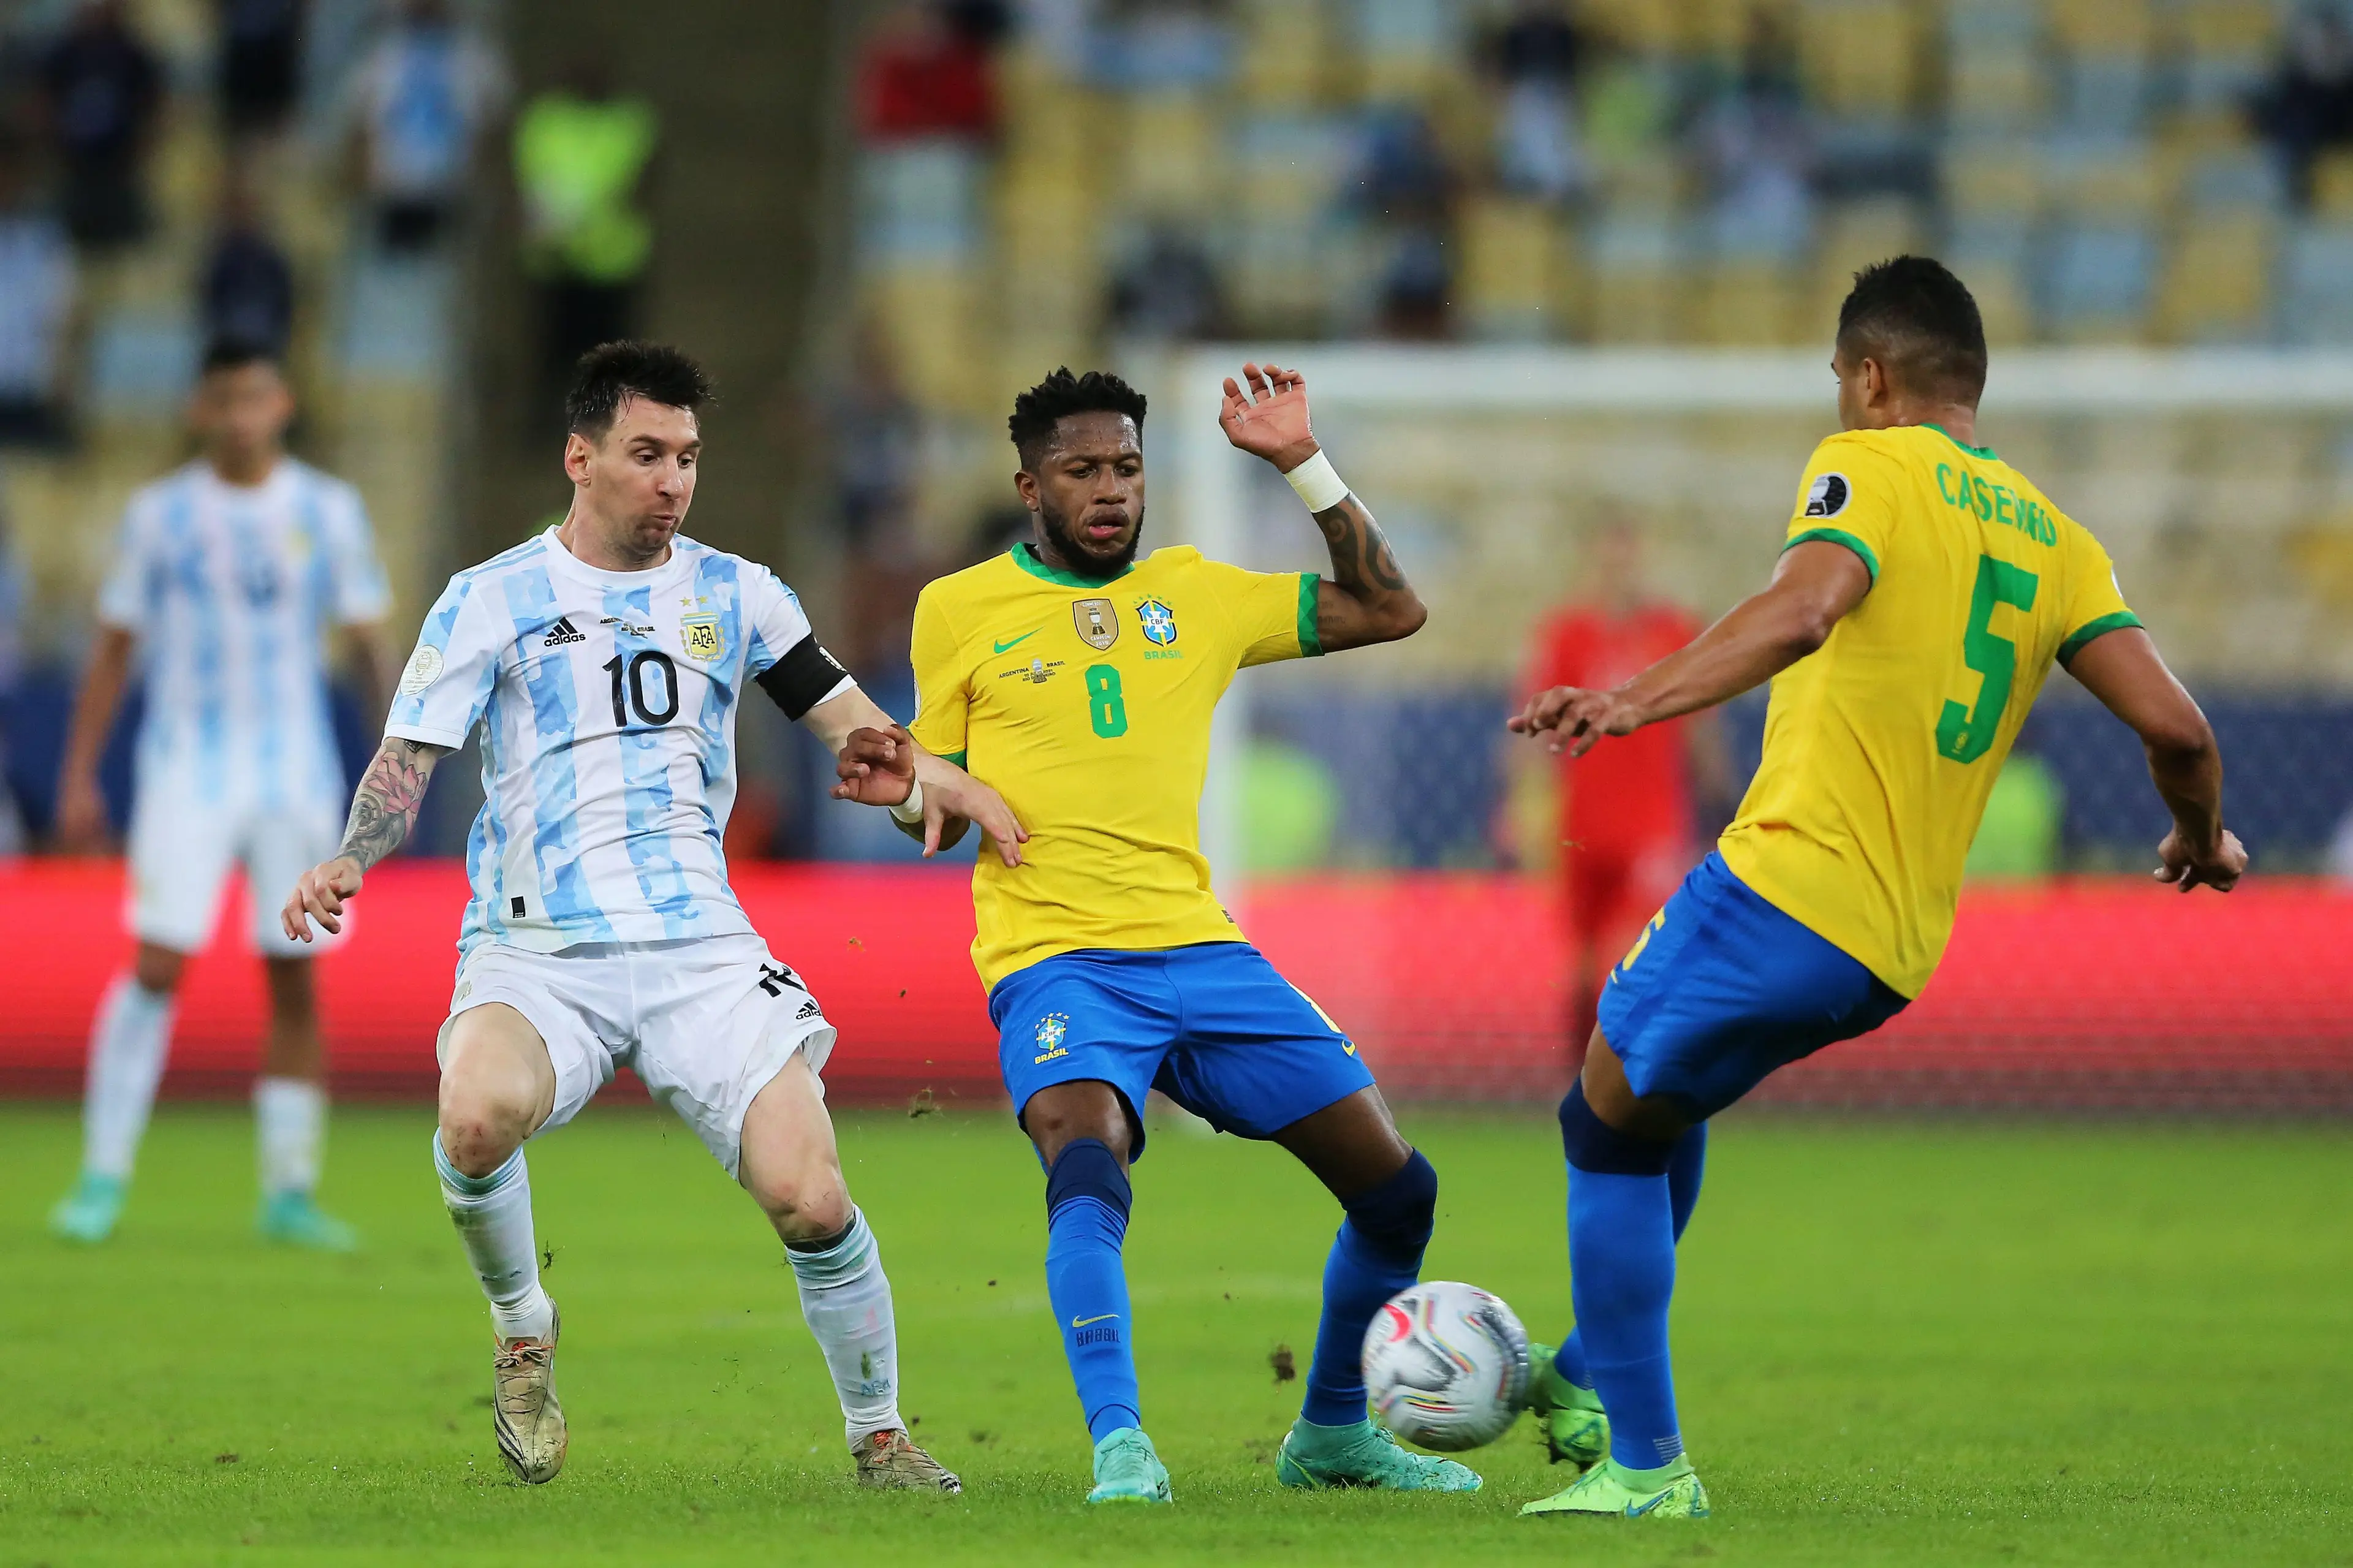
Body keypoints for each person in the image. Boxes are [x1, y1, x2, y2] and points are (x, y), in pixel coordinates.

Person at [1507, 256, 2247, 1521]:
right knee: (1652, 1101)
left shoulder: (1872, 464)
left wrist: (1632, 699)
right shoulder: (2059, 541)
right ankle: (1587, 1374)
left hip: (1787, 877)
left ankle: (1645, 1463)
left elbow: (1806, 608)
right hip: (1892, 949)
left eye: (1842, 383)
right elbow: (2179, 731)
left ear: (1871, 375)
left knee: (1600, 1117)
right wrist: (2201, 838)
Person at [280, 341, 1021, 1491]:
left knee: (812, 1197)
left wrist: (926, 781)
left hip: (701, 951)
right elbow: (407, 758)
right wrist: (351, 855)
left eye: (687, 456)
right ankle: (525, 1324)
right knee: (473, 1117)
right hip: (538, 949)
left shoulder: (740, 593)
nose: (672, 479)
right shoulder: (492, 597)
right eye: (646, 453)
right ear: (580, 458)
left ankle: (881, 1436)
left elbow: (860, 731)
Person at [897, 365, 1466, 1505]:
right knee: (1088, 1150)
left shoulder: (1196, 592)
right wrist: (934, 788)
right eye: (1083, 471)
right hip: (1057, 957)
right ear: (1030, 485)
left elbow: (1393, 608)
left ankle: (1334, 1434)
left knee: (1401, 1192)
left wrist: (1300, 461)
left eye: (1126, 467)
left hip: (1204, 951)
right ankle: (1121, 1443)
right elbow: (926, 792)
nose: (1111, 491)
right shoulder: (956, 608)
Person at [48, 341, 398, 1249]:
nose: (242, 416)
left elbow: (366, 636)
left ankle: (288, 1190)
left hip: (293, 769)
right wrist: (81, 770)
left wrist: (404, 751)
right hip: (186, 768)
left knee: (292, 973)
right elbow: (116, 646)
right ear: (202, 408)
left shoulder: (327, 507)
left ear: (281, 402)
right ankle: (102, 1173)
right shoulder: (160, 513)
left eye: (256, 397)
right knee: (158, 960)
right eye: (225, 400)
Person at [1521, 518, 1729, 1055]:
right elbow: (1530, 722)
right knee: (1584, 958)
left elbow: (1701, 727)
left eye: (1628, 554)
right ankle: (1584, 1071)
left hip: (1651, 822)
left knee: (1632, 947)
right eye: (1609, 555)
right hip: (1581, 822)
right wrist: (1522, 800)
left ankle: (1629, 1064)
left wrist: (1725, 806)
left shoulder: (1673, 632)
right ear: (1592, 561)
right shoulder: (1567, 633)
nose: (1620, 567)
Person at [38, 0, 164, 251]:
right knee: (70, 239)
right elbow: (42, 98)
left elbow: (154, 101)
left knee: (125, 241)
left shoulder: (131, 52)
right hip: (76, 164)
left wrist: (144, 140)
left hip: (119, 164)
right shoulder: (66, 52)